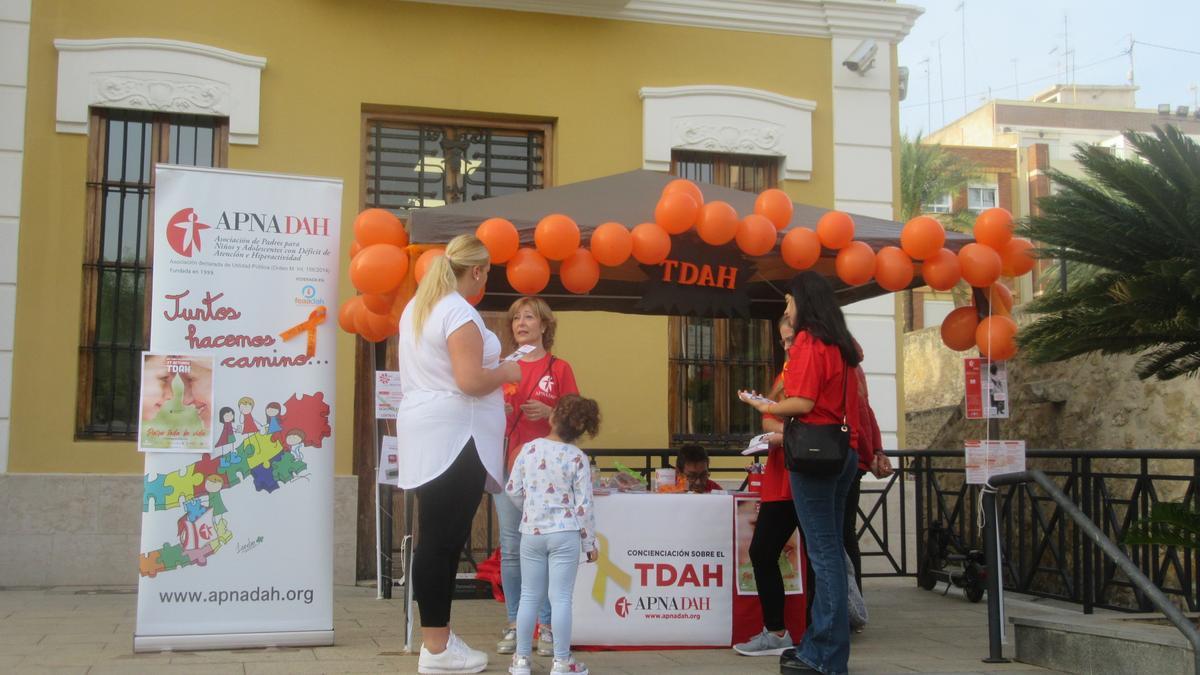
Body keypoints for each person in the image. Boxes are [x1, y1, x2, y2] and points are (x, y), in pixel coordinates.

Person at [394, 234, 521, 675]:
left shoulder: (418, 307)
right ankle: (436, 648)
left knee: (437, 538)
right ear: (479, 271)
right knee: (443, 542)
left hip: (429, 428)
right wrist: (505, 371)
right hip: (455, 435)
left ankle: (439, 640)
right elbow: (468, 380)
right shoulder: (458, 311)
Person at [741, 271, 861, 675]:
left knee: (824, 557)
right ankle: (827, 651)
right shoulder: (841, 344)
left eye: (790, 300)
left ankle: (822, 654)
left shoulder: (810, 341)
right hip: (843, 453)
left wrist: (767, 407)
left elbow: (804, 402)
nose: (787, 307)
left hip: (813, 454)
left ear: (805, 302)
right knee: (828, 555)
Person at [495, 297, 580, 657]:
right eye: (516, 317)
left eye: (529, 317)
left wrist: (550, 412)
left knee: (544, 550)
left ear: (545, 325)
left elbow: (577, 420)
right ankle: (516, 624)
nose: (521, 323)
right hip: (508, 467)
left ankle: (546, 627)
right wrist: (497, 411)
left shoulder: (559, 368)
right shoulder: (501, 367)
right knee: (512, 549)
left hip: (550, 475)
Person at [505, 394, 600, 675]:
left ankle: (521, 660)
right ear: (582, 429)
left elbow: (513, 489)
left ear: (552, 416)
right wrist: (589, 542)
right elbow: (584, 505)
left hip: (532, 532)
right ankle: (561, 662)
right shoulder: (578, 458)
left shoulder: (529, 449)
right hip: (565, 533)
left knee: (528, 596)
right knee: (561, 599)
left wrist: (531, 510)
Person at [733, 318, 802, 657]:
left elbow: (814, 417)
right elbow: (772, 417)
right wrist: (774, 423)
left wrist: (782, 428)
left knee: (821, 556)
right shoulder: (787, 372)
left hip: (803, 473)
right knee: (763, 551)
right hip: (782, 473)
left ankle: (790, 631)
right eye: (783, 341)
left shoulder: (811, 369)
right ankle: (778, 630)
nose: (786, 347)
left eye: (791, 340)